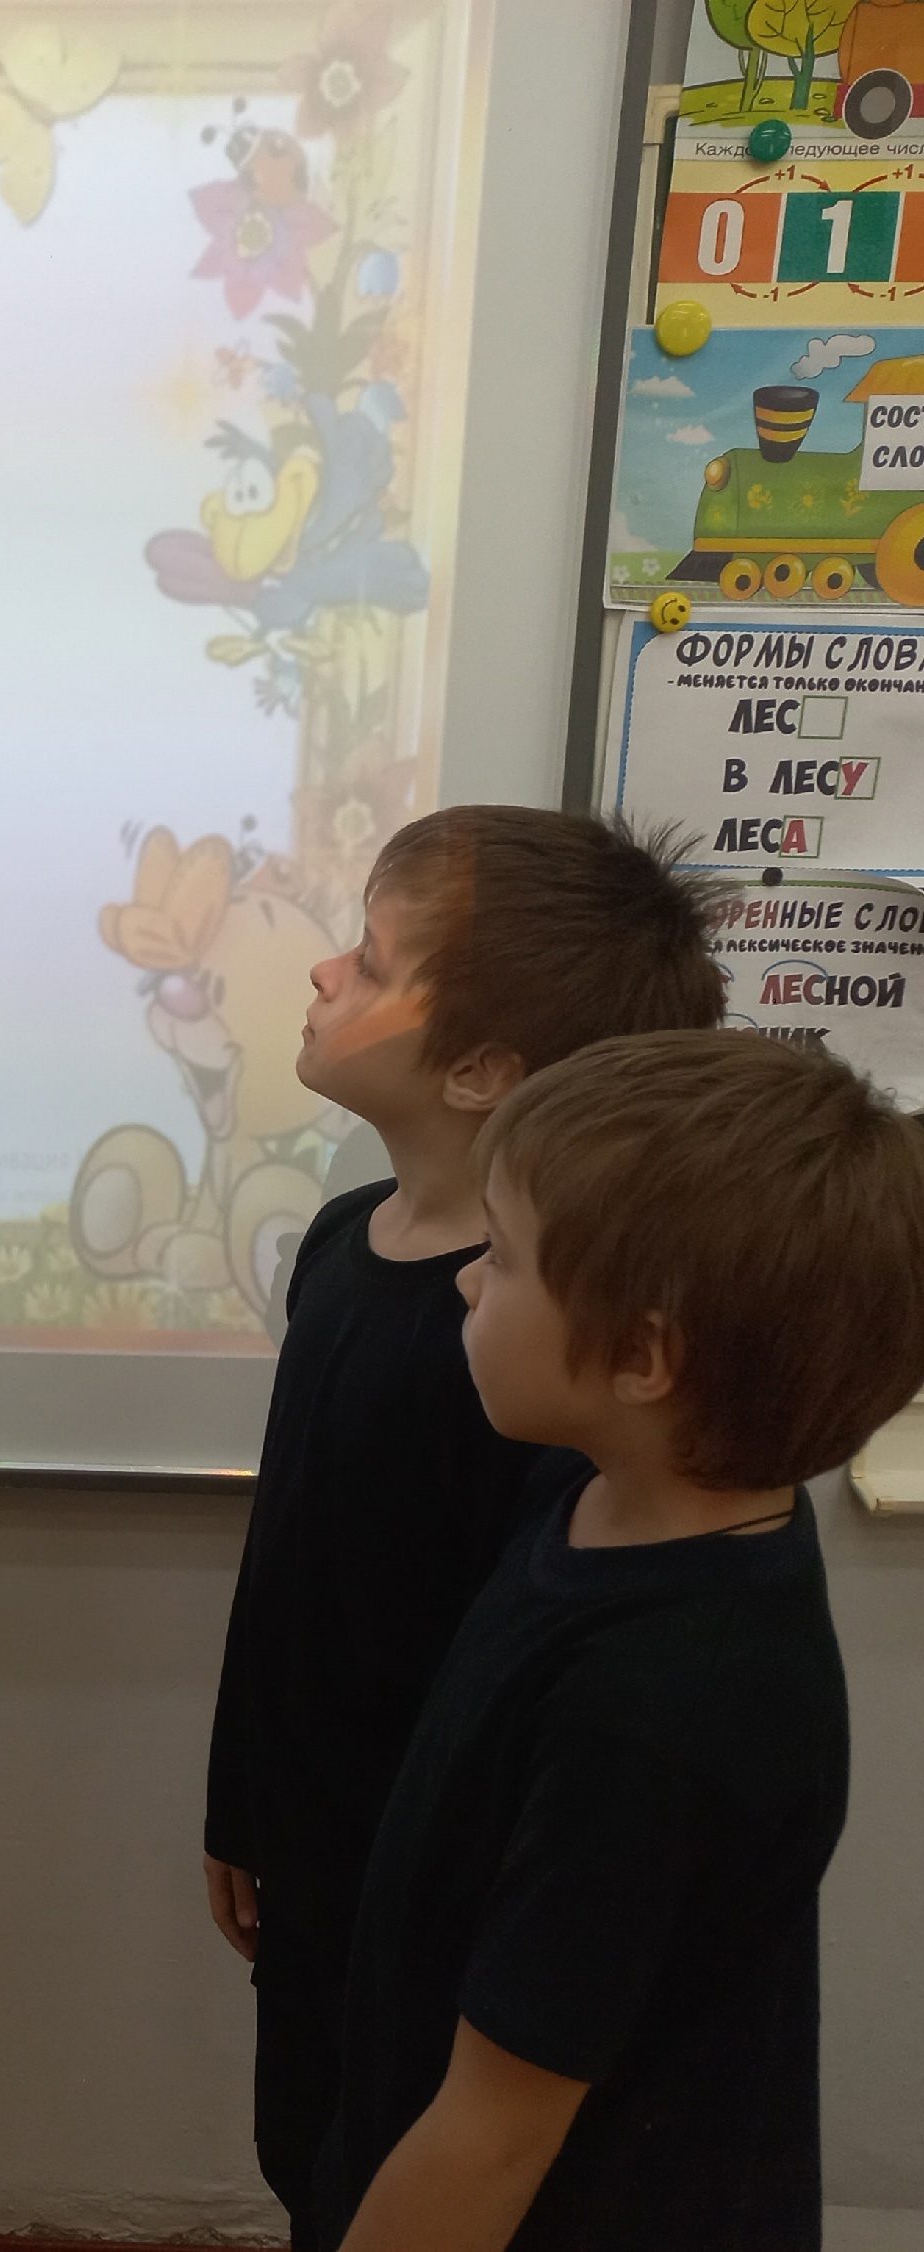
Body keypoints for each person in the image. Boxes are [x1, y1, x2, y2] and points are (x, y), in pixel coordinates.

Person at [200, 806, 724, 2243]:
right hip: (309, 1857)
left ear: (485, 1068)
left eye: (370, 963)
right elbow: (290, 1560)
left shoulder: (538, 1350)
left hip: (440, 1896)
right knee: (309, 2154)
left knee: (408, 2175)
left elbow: (520, 1669)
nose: (325, 974)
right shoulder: (338, 1240)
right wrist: (240, 1797)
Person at [316, 1030, 924, 2249]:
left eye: (501, 1256)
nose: (466, 1283)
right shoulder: (618, 1497)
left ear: (643, 1356)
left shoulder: (662, 1705)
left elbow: (494, 2135)